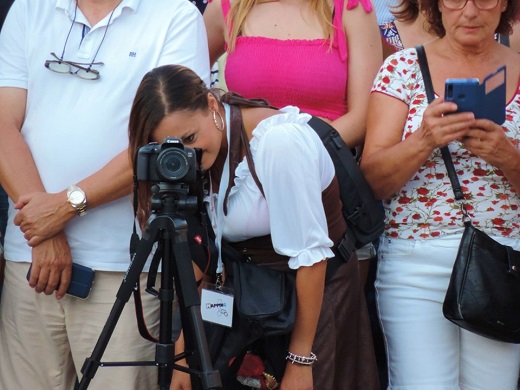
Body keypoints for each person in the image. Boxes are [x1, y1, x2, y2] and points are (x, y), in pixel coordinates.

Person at [129, 64, 380, 390]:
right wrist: (183, 354)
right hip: (249, 307)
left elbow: (312, 259)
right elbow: (204, 260)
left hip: (314, 311)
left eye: (190, 138)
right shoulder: (202, 153)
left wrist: (300, 362)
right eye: (171, 147)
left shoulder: (279, 142)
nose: (185, 154)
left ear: (212, 106)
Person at [0, 0, 210, 389]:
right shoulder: (28, 8)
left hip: (125, 267)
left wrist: (63, 207)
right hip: (29, 258)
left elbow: (169, 142)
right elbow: (2, 123)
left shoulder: (176, 14)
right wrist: (43, 228)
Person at [360, 0, 520, 387]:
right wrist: (424, 140)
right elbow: (374, 181)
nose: (469, 11)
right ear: (434, 5)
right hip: (415, 262)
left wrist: (508, 158)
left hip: (503, 261)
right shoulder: (401, 68)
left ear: (505, 5)